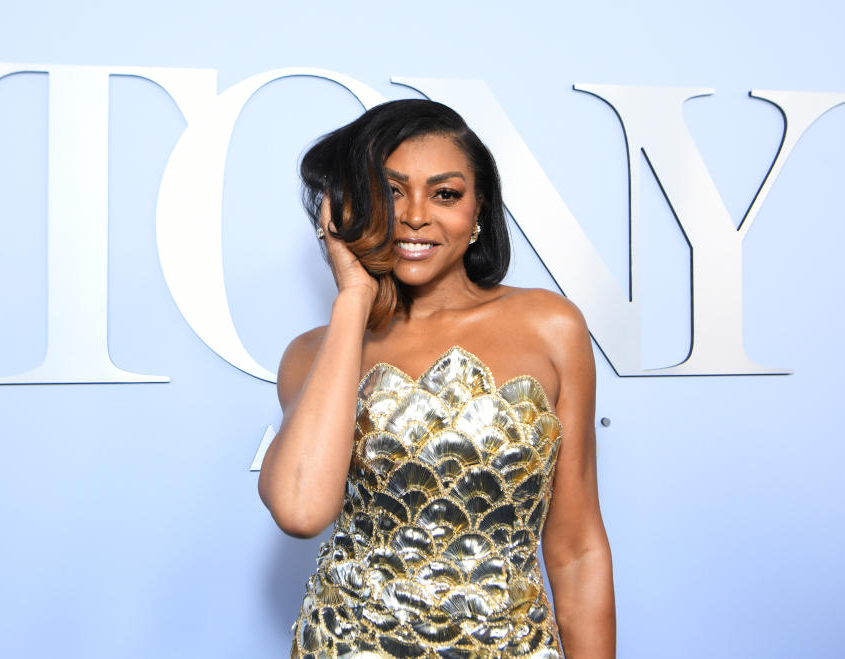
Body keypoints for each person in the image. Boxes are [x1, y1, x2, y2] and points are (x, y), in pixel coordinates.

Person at [258, 99, 615, 659]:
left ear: (478, 213)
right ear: (352, 206)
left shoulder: (551, 327)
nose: (415, 215)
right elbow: (301, 512)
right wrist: (353, 297)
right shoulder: (313, 354)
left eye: (445, 194)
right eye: (391, 191)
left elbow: (576, 548)